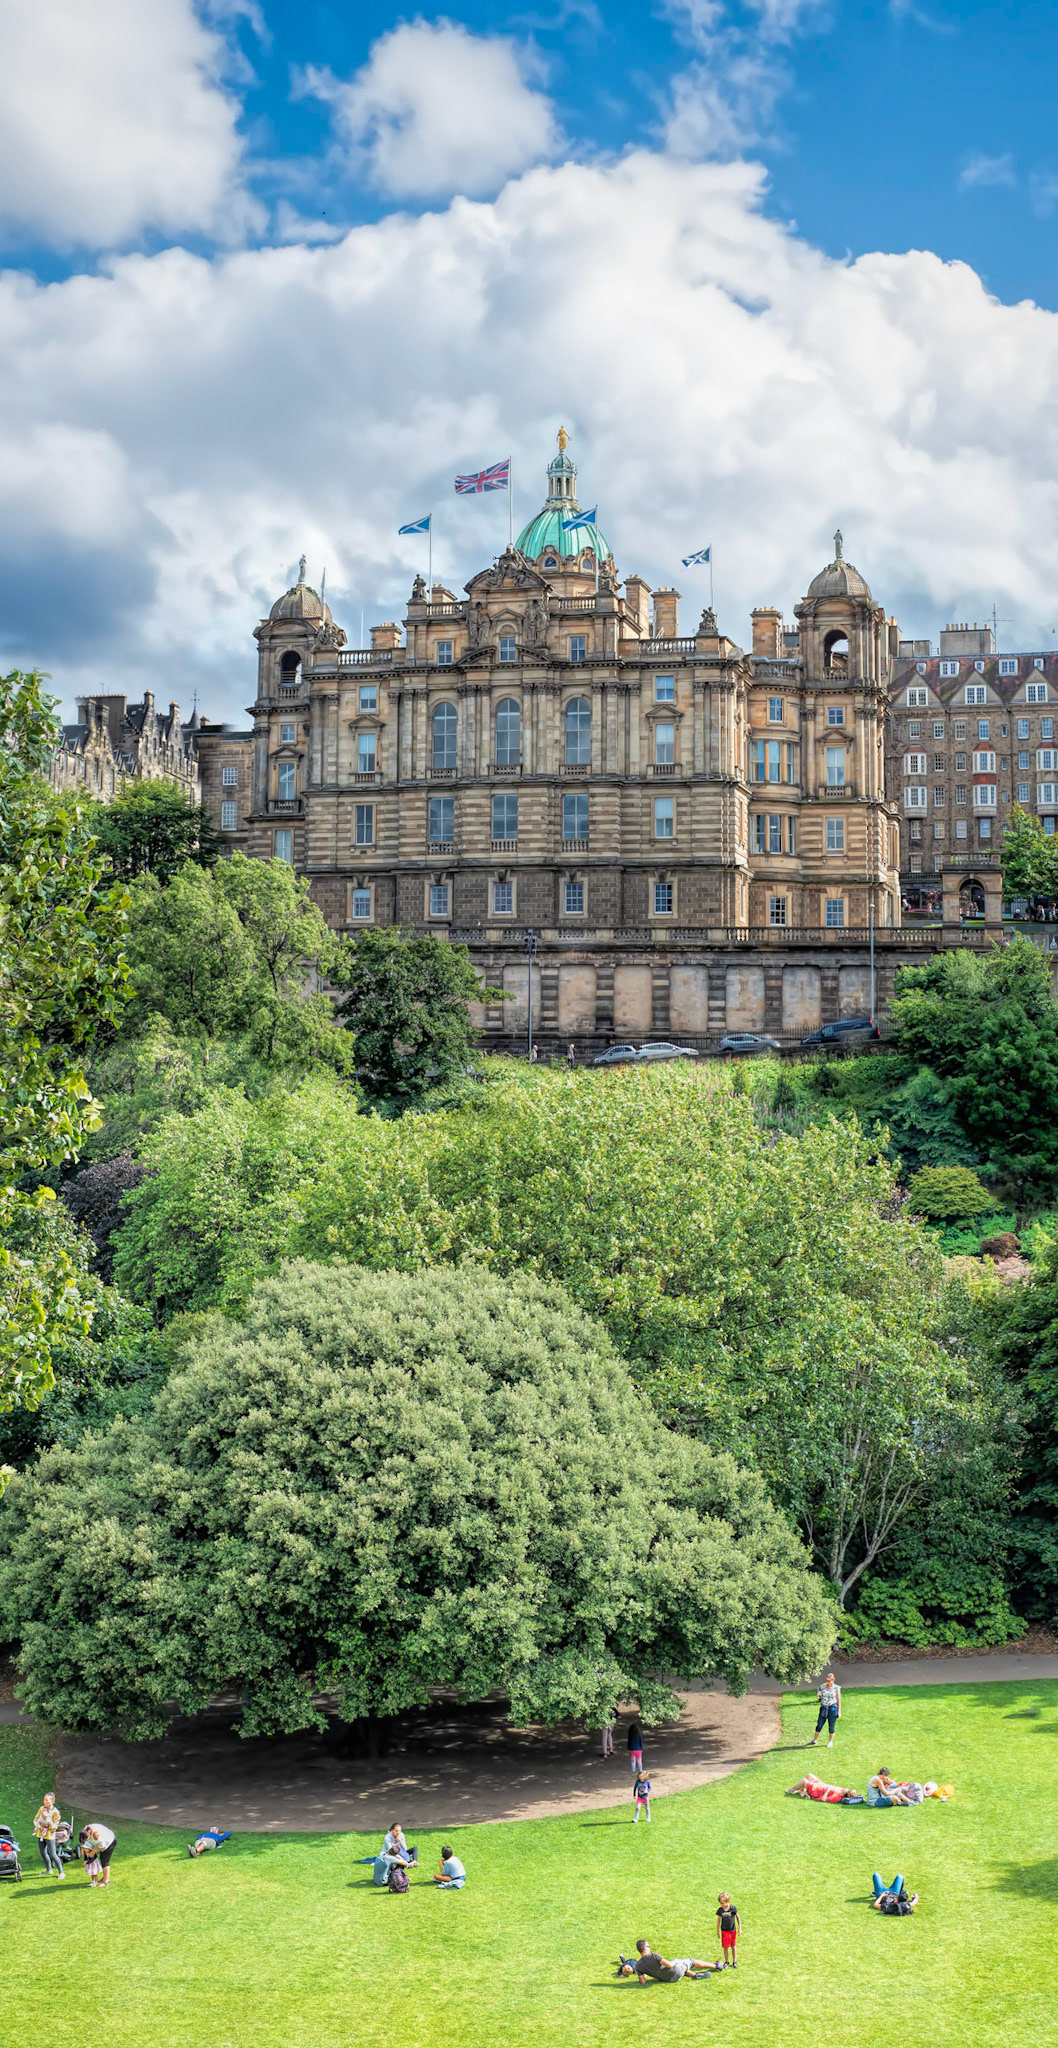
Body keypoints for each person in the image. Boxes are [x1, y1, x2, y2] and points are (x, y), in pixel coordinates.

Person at [624, 1939, 718, 1984]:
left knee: (681, 1966)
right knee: (690, 1961)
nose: (650, 1948)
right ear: (644, 1948)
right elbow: (669, 1965)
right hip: (676, 1972)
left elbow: (643, 1982)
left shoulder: (639, 1965)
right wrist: (675, 1961)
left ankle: (695, 1975)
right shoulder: (654, 1955)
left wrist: (645, 1974)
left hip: (668, 1980)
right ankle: (716, 1966)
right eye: (648, 1946)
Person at [33, 1792, 64, 1878]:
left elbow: (55, 1826)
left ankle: (61, 1872)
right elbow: (35, 1819)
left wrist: (49, 1822)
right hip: (41, 1834)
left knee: (52, 1854)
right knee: (43, 1852)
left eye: (47, 1800)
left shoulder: (55, 1812)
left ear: (52, 1801)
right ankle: (49, 1869)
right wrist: (38, 1826)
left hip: (50, 1835)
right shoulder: (41, 1809)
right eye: (44, 1799)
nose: (45, 1801)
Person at [786, 1772, 863, 1804]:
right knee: (810, 1775)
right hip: (820, 1784)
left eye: (843, 1790)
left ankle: (791, 1790)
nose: (842, 1789)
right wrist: (853, 1793)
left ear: (843, 1793)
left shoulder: (836, 1797)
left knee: (804, 1780)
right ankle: (803, 1790)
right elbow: (852, 1791)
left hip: (816, 1790)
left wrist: (827, 1791)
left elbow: (824, 1799)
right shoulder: (843, 1792)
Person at [79, 1823, 117, 1887]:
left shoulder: (96, 1835)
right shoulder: (85, 1831)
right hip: (100, 1843)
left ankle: (105, 1882)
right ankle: (104, 1877)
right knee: (100, 1859)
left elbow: (102, 1846)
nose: (86, 1841)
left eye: (86, 1839)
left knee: (104, 1861)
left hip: (109, 1842)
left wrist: (93, 1852)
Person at [810, 1672, 841, 1749]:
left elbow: (838, 1699)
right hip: (824, 1707)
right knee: (819, 1724)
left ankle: (830, 1742)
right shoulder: (822, 1686)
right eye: (827, 1680)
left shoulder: (836, 1688)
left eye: (829, 1680)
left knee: (831, 1726)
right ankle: (815, 1740)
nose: (827, 1682)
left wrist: (839, 1711)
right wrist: (819, 1696)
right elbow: (819, 1694)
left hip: (832, 1707)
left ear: (833, 1680)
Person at [716, 1893, 740, 1967]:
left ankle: (734, 1962)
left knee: (733, 1946)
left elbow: (738, 1917)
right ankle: (726, 1961)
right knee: (725, 1947)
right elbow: (718, 1920)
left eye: (722, 1903)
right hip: (725, 1931)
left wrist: (740, 1928)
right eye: (721, 1903)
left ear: (727, 1901)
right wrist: (718, 1931)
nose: (721, 1904)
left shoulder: (733, 1908)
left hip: (732, 1930)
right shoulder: (720, 1910)